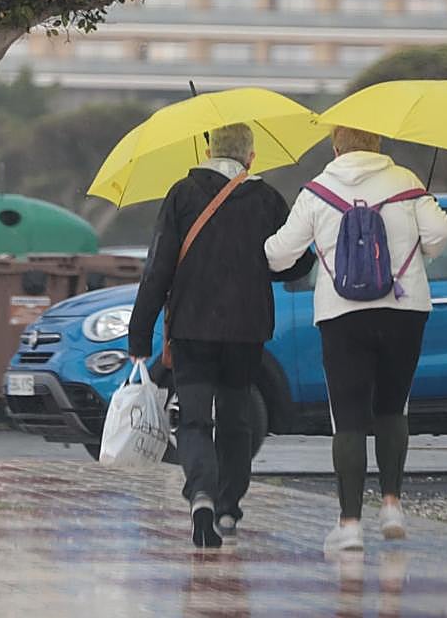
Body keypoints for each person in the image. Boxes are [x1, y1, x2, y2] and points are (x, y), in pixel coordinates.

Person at [265, 126, 447, 553]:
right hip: (405, 310)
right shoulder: (407, 181)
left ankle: (349, 525)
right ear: (378, 146)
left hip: (341, 314)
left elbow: (280, 253)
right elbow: (440, 236)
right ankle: (391, 506)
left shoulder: (317, 190)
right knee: (392, 406)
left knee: (347, 417)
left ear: (336, 148)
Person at [128, 123, 315, 548]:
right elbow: (297, 264)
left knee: (194, 420)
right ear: (251, 157)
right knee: (236, 419)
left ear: (208, 149)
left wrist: (139, 336)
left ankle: (202, 497)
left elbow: (158, 268)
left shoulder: (182, 194)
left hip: (192, 329)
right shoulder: (267, 200)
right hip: (247, 330)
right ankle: (229, 507)